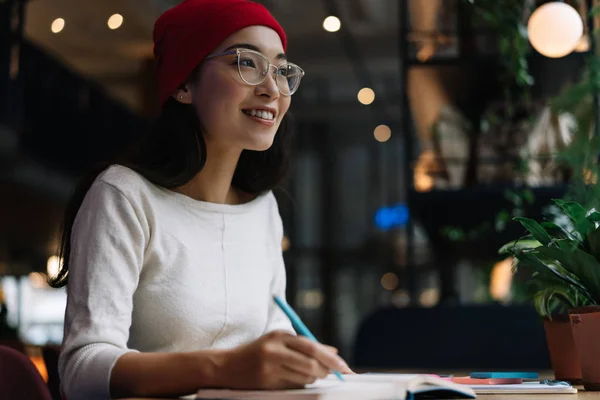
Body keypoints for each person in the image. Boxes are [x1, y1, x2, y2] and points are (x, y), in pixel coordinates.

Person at [50, 1, 352, 399]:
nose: (271, 88)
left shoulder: (263, 210)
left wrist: (295, 361)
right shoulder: (124, 196)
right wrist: (224, 367)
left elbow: (273, 341)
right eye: (246, 63)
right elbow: (81, 371)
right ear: (183, 84)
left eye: (281, 70)